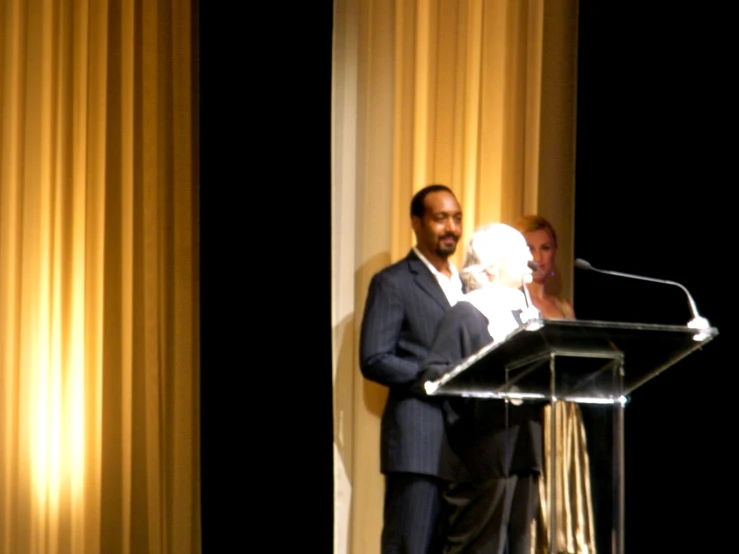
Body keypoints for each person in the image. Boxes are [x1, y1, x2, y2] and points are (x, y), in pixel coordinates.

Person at [418, 223, 544, 554]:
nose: (529, 258)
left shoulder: (525, 315)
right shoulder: (467, 313)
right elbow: (434, 373)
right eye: (520, 252)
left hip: (522, 446)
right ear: (489, 269)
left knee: (518, 544)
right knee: (480, 546)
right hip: (482, 453)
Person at [359, 184, 469, 554]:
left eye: (456, 218)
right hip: (418, 444)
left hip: (467, 447)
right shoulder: (394, 282)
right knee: (410, 546)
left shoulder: (469, 286)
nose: (451, 227)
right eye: (440, 218)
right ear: (416, 223)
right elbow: (374, 358)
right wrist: (436, 378)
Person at [513, 214, 597, 554]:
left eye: (545, 248)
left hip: (565, 410)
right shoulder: (513, 302)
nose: (538, 255)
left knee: (565, 485)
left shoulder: (563, 306)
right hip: (530, 408)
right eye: (530, 247)